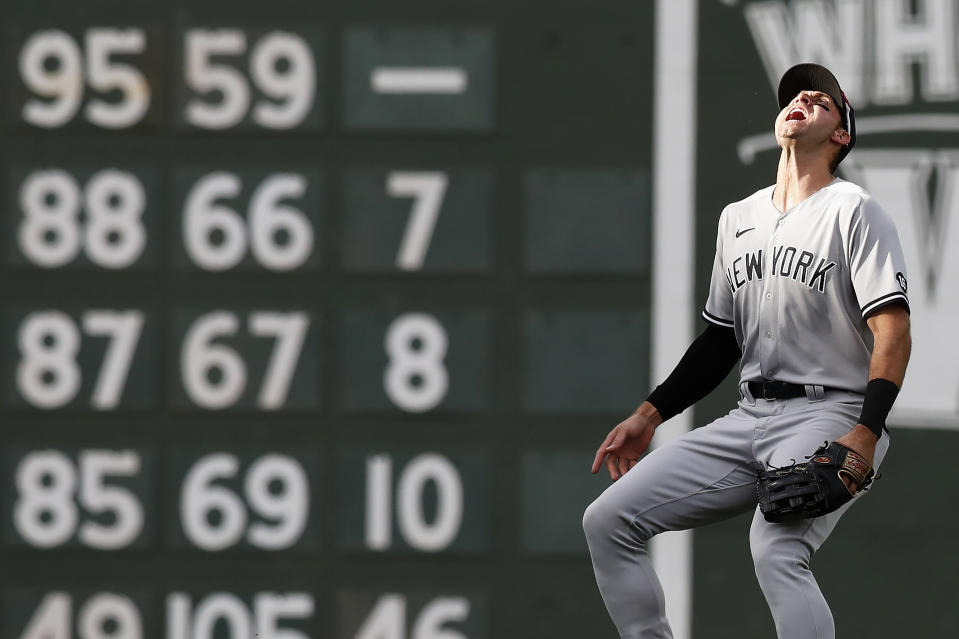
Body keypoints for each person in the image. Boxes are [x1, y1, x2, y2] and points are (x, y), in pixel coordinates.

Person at [582, 63, 911, 639]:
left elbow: (893, 330)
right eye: (795, 95)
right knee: (608, 519)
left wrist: (864, 432)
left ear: (841, 135)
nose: (804, 98)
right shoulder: (739, 218)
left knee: (776, 550)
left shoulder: (854, 209)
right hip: (749, 417)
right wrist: (649, 414)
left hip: (829, 412)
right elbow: (721, 338)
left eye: (823, 100)